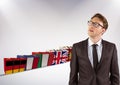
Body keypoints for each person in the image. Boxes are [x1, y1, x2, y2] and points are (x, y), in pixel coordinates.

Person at [69, 13, 119, 85]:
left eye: (96, 24)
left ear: (103, 30)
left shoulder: (111, 47)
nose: (91, 26)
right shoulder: (77, 47)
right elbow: (73, 77)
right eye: (90, 23)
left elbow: (115, 76)